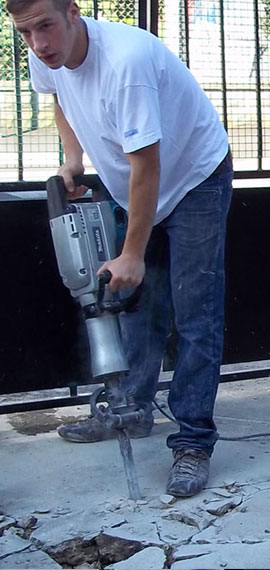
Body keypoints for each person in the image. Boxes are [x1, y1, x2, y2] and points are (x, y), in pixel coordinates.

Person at [7, 0, 233, 496]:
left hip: (194, 176)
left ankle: (193, 441)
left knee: (196, 313)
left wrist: (133, 252)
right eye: (25, 33)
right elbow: (59, 99)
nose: (38, 43)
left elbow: (146, 167)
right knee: (134, 306)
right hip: (132, 178)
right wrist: (72, 158)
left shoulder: (125, 61)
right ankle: (129, 411)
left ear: (73, 12)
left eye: (45, 26)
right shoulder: (44, 52)